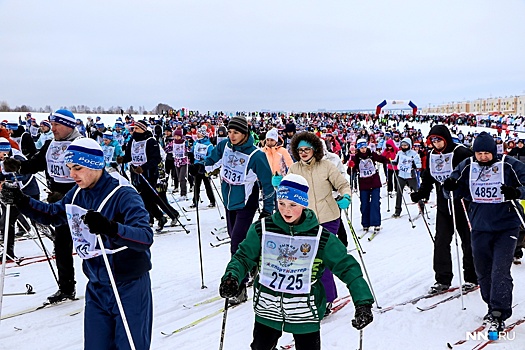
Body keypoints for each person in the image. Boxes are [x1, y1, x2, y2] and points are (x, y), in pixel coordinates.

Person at [1, 138, 154, 349]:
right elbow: (54, 214)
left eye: (77, 168)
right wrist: (21, 200)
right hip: (97, 285)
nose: (71, 175)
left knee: (129, 345)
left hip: (128, 284)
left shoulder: (123, 194)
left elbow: (145, 236)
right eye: (69, 168)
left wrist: (110, 228)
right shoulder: (78, 193)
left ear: (95, 165)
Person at [218, 174, 374, 350]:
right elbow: (243, 257)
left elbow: (347, 268)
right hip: (267, 309)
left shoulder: (319, 237)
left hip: (305, 313)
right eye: (282, 203)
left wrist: (363, 303)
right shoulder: (263, 229)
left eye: (293, 205)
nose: (286, 210)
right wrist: (232, 277)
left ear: (303, 204)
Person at [443, 131, 525, 333]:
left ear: (494, 151)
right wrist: (449, 187)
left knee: (500, 271)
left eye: (487, 153)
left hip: (507, 226)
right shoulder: (468, 166)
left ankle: (499, 311)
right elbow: (452, 190)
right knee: (483, 272)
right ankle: (492, 305)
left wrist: (516, 192)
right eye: (479, 153)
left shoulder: (508, 164)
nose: (483, 157)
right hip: (479, 227)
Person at [4, 109, 83, 303]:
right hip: (58, 203)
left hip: (82, 201)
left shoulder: (80, 144)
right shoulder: (50, 144)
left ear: (69, 126)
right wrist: (18, 166)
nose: (52, 128)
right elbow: (35, 164)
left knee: (90, 245)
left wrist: (66, 195)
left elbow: (91, 178)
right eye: (51, 124)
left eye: (57, 125)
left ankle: (105, 284)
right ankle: (66, 288)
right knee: (62, 245)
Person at [203, 116, 275, 305]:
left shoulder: (256, 155)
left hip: (246, 202)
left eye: (236, 132)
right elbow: (211, 161)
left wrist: (268, 209)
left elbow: (267, 184)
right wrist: (199, 167)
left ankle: (239, 287)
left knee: (236, 245)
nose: (232, 136)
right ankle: (251, 266)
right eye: (229, 132)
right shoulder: (225, 146)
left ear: (244, 134)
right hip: (229, 202)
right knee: (237, 238)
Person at [287, 132, 353, 313]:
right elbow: (287, 192)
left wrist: (345, 196)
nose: (303, 153)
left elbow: (343, 184)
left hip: (328, 217)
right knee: (307, 260)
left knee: (321, 259)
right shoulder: (294, 169)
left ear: (315, 148)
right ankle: (311, 296)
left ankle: (327, 299)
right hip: (305, 220)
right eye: (300, 150)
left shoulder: (327, 166)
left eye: (307, 149)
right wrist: (280, 184)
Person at [410, 124, 478, 294]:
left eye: (438, 140)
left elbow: (475, 171)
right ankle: (442, 279)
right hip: (444, 204)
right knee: (441, 241)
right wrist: (421, 194)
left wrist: (459, 183)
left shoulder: (460, 152)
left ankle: (472, 277)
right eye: (433, 140)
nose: (436, 143)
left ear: (445, 138)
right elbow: (428, 177)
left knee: (468, 240)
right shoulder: (432, 155)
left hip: (462, 202)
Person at [120, 119, 168, 232]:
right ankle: (158, 217)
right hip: (136, 174)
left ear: (143, 129)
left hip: (149, 173)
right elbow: (129, 155)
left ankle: (156, 217)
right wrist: (123, 159)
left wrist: (144, 167)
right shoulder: (133, 140)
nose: (134, 131)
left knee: (146, 199)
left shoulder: (151, 141)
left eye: (137, 129)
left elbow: (156, 158)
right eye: (133, 129)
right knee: (142, 199)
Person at [0, 137, 39, 261]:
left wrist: (11, 180)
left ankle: (55, 238)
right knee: (7, 221)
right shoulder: (3, 158)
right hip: (14, 195)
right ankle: (8, 251)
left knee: (37, 220)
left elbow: (25, 176)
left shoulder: (17, 158)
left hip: (29, 192)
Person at [350, 138, 388, 233]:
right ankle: (365, 224)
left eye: (364, 147)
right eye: (361, 148)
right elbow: (351, 171)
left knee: (375, 203)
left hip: (374, 182)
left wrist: (388, 159)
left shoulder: (371, 154)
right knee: (364, 204)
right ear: (358, 148)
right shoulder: (355, 158)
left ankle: (376, 223)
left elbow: (381, 159)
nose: (363, 149)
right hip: (363, 184)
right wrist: (350, 166)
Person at [391, 137, 421, 217]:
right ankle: (397, 211)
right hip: (401, 175)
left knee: (416, 191)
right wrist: (392, 162)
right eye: (403, 145)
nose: (404, 147)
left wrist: (414, 165)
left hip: (411, 175)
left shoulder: (413, 153)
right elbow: (396, 161)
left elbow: (418, 164)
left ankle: (421, 207)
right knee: (399, 193)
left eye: (406, 145)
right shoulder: (400, 153)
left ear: (409, 145)